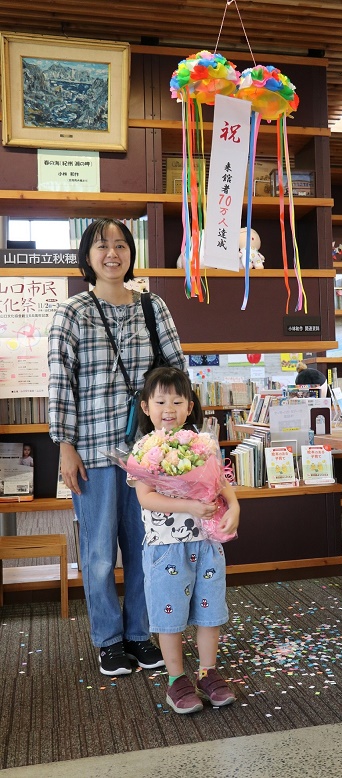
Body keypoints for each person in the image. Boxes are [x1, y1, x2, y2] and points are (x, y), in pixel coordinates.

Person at [48, 218, 187, 677]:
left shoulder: (153, 307)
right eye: (102, 245)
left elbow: (176, 375)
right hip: (92, 453)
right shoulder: (71, 312)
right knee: (99, 553)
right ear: (87, 256)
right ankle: (108, 640)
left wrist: (175, 440)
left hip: (147, 454)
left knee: (147, 547)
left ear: (131, 254)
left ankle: (138, 633)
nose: (113, 253)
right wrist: (64, 446)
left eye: (121, 244)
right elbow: (60, 385)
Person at [134, 366, 240, 714]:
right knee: (170, 615)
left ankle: (208, 672)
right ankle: (176, 680)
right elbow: (146, 498)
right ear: (146, 407)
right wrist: (189, 505)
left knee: (210, 612)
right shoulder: (143, 449)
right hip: (166, 546)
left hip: (206, 543)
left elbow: (221, 483)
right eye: (161, 400)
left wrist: (235, 505)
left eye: (178, 401)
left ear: (190, 406)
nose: (170, 408)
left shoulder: (202, 443)